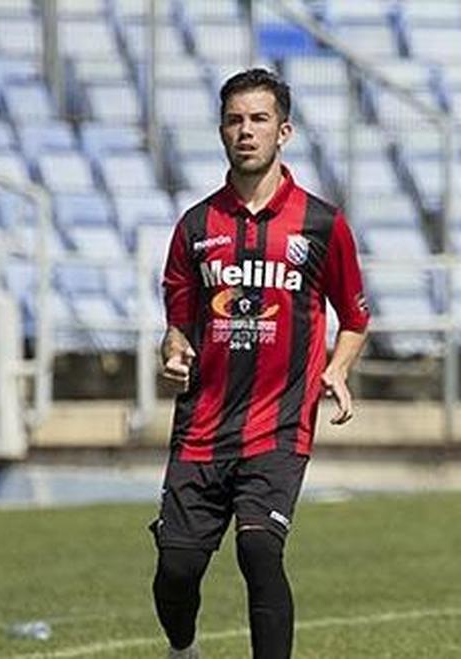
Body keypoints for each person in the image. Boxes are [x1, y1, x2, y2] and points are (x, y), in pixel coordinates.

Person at [151, 68, 370, 659]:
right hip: (201, 428)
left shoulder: (323, 224)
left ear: (284, 131)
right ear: (221, 131)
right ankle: (183, 649)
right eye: (234, 120)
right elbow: (177, 324)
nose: (246, 131)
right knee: (176, 571)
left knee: (259, 551)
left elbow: (354, 315)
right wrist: (173, 353)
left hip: (279, 426)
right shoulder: (195, 226)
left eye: (259, 119)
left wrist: (337, 369)